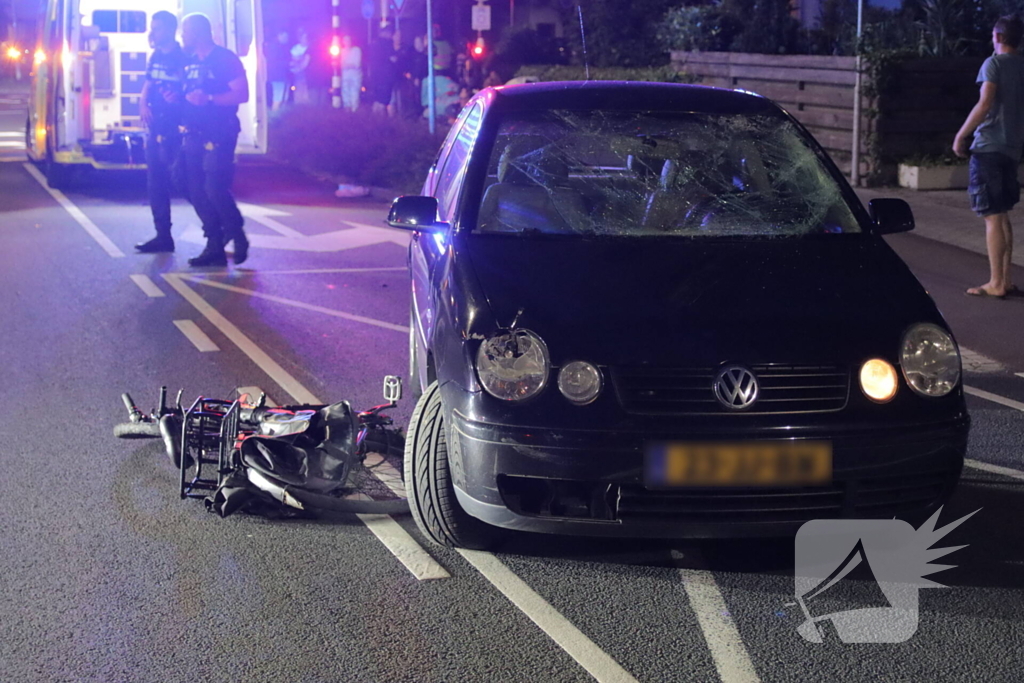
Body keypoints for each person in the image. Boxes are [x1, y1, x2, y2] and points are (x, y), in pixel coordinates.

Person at [954, 14, 1024, 299]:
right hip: (1012, 150)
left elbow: (985, 103)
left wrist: (961, 135)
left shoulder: (993, 64)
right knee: (1003, 214)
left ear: (998, 37)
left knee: (992, 217)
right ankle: (1005, 279)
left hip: (989, 147)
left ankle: (995, 282)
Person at [180, 12, 249, 267]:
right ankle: (216, 238)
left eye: (185, 31)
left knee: (214, 188)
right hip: (193, 132)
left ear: (198, 32)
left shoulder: (224, 59)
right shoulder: (189, 62)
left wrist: (209, 99)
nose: (182, 36)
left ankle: (234, 233)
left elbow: (242, 94)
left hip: (219, 131)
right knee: (188, 184)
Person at [135, 11, 188, 254]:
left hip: (175, 128)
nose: (152, 32)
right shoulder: (156, 55)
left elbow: (190, 89)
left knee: (184, 182)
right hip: (156, 126)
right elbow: (148, 82)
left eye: (156, 28)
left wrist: (179, 98)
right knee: (155, 184)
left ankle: (217, 232)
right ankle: (163, 236)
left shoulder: (183, 58)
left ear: (169, 29)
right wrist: (143, 103)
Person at [267, 29, 290, 111]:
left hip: (281, 76)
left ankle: (281, 114)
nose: (287, 39)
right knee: (278, 98)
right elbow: (273, 62)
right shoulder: (274, 47)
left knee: (283, 97)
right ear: (279, 35)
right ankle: (275, 114)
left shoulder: (279, 46)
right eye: (285, 36)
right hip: (277, 76)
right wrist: (288, 63)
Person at [339, 35, 361, 112]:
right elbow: (341, 64)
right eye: (345, 40)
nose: (347, 42)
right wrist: (349, 65)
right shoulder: (342, 51)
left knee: (355, 92)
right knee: (345, 92)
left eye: (348, 40)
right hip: (345, 75)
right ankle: (347, 109)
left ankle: (354, 109)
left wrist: (348, 65)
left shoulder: (356, 50)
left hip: (355, 75)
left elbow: (357, 64)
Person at [290, 29, 311, 105]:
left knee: (306, 88)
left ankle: (306, 104)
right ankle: (298, 103)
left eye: (306, 38)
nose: (305, 40)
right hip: (298, 72)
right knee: (298, 87)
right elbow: (294, 60)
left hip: (308, 73)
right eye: (303, 38)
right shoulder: (295, 48)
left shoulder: (310, 48)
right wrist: (301, 59)